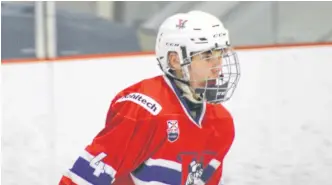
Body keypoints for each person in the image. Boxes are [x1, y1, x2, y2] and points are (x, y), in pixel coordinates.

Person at [59, 10, 241, 185]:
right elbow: (84, 179)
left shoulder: (221, 123)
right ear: (175, 60)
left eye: (220, 54)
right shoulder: (142, 110)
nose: (218, 65)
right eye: (207, 55)